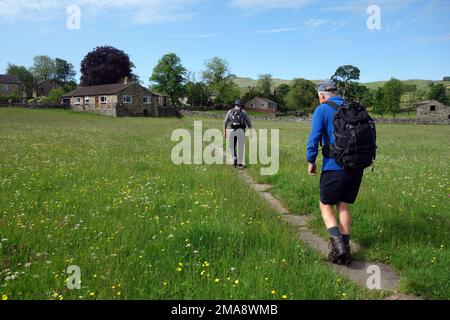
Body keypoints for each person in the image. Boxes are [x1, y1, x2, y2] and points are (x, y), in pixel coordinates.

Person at [306, 81, 365, 265]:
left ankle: (338, 248)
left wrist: (311, 160)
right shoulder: (353, 108)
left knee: (325, 204)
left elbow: (314, 137)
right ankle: (346, 249)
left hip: (334, 166)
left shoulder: (322, 110)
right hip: (356, 166)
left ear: (322, 95)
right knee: (343, 205)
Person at [224, 100, 253, 168]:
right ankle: (240, 163)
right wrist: (251, 132)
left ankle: (234, 159)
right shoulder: (243, 112)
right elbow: (249, 123)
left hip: (232, 131)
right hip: (241, 131)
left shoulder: (229, 112)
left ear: (235, 105)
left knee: (232, 146)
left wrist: (224, 132)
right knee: (240, 147)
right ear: (240, 105)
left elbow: (225, 122)